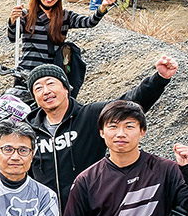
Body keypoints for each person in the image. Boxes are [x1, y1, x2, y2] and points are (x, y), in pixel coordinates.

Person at [23, 56, 176, 202]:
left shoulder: (90, 115)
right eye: (38, 88)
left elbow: (129, 103)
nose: (46, 91)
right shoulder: (27, 130)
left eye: (51, 84)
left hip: (90, 210)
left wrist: (159, 79)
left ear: (66, 88)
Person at [9, 0, 110, 91]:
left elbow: (89, 22)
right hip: (27, 74)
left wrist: (103, 7)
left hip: (52, 76)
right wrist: (12, 21)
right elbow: (12, 38)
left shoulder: (65, 16)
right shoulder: (26, 15)